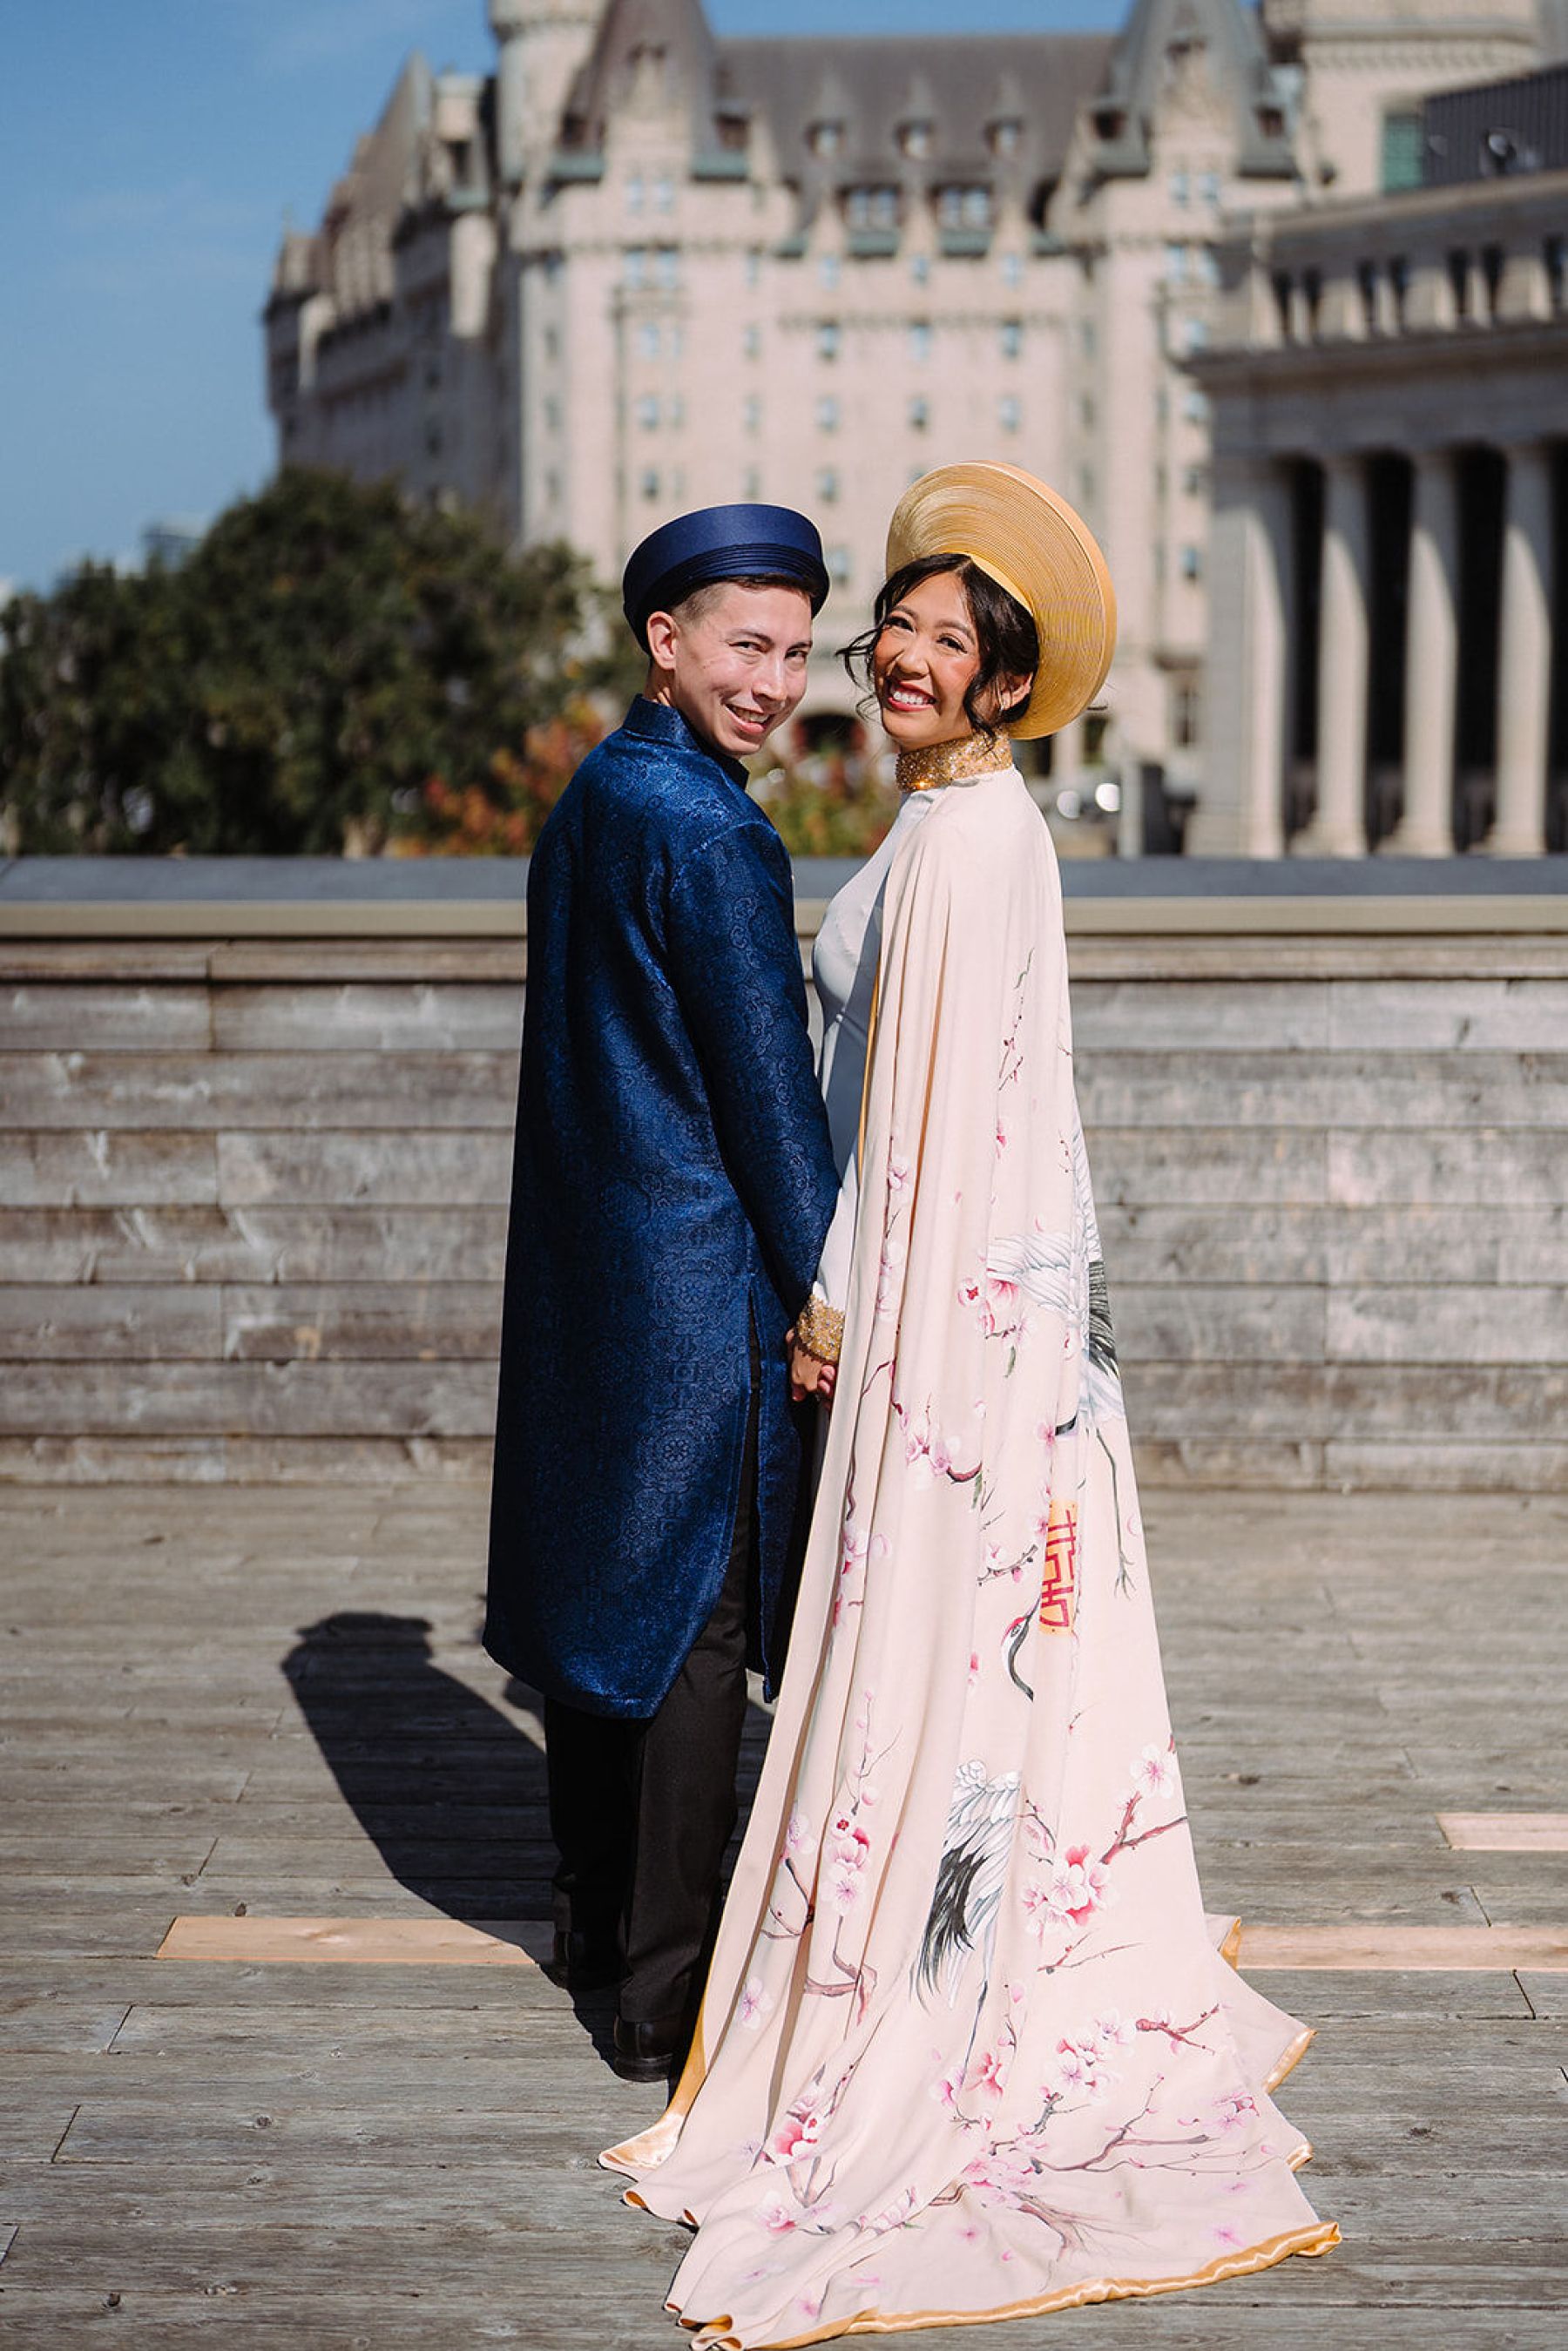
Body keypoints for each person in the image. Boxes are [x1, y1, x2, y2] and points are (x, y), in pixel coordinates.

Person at [604, 463, 1339, 2340]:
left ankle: (895, 2016)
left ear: (1010, 686)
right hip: (943, 1337)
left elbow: (952, 1140)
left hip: (933, 1345)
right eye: (905, 630)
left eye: (957, 644)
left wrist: (854, 1315)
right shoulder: (944, 820)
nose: (913, 660)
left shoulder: (973, 840)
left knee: (928, 1674)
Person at [484, 505, 841, 2084]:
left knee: (600, 1600)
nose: (775, 681)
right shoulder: (713, 831)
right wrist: (829, 1289)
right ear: (667, 642)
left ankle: (584, 1917)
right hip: (698, 1284)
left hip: (590, 1267)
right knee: (694, 1625)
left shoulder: (594, 797)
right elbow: (773, 1106)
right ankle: (667, 2001)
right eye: (746, 645)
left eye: (797, 650)